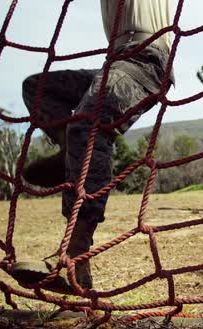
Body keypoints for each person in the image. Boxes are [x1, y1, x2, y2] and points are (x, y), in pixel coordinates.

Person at [11, 0, 174, 293]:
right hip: (115, 62)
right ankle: (69, 157)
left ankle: (76, 253)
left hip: (147, 61)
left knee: (88, 126)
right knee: (37, 88)